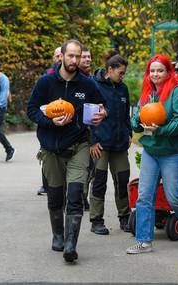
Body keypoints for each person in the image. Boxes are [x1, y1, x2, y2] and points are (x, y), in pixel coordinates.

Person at [27, 39, 107, 263]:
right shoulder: (45, 82)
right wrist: (51, 122)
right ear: (61, 56)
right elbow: (31, 110)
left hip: (77, 147)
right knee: (55, 197)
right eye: (70, 56)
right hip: (51, 149)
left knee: (74, 196)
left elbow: (100, 107)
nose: (74, 60)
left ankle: (71, 244)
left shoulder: (88, 84)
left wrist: (103, 114)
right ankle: (58, 235)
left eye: (78, 56)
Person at [126, 54, 178, 254]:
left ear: (167, 72)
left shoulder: (177, 93)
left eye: (160, 70)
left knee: (174, 197)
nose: (155, 74)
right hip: (151, 151)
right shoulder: (147, 94)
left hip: (174, 152)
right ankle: (144, 241)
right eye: (152, 70)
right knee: (144, 196)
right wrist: (137, 123)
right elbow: (137, 117)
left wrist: (160, 130)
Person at [89, 52, 132, 235]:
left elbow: (125, 115)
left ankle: (124, 217)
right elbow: (88, 117)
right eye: (120, 73)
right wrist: (92, 141)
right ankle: (96, 220)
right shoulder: (94, 86)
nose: (123, 76)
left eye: (124, 73)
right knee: (99, 181)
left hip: (120, 143)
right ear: (110, 70)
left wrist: (129, 133)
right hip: (100, 144)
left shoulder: (123, 89)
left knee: (122, 180)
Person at [37, 47, 63, 195]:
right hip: (49, 119)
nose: (59, 58)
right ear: (54, 58)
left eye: (61, 55)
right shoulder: (47, 75)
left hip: (65, 116)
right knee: (45, 152)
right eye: (57, 55)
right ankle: (45, 185)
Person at [78, 46, 93, 210]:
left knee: (90, 167)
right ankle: (78, 197)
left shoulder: (91, 79)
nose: (87, 59)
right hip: (76, 130)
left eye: (89, 57)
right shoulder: (75, 78)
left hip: (90, 129)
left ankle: (82, 196)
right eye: (84, 57)